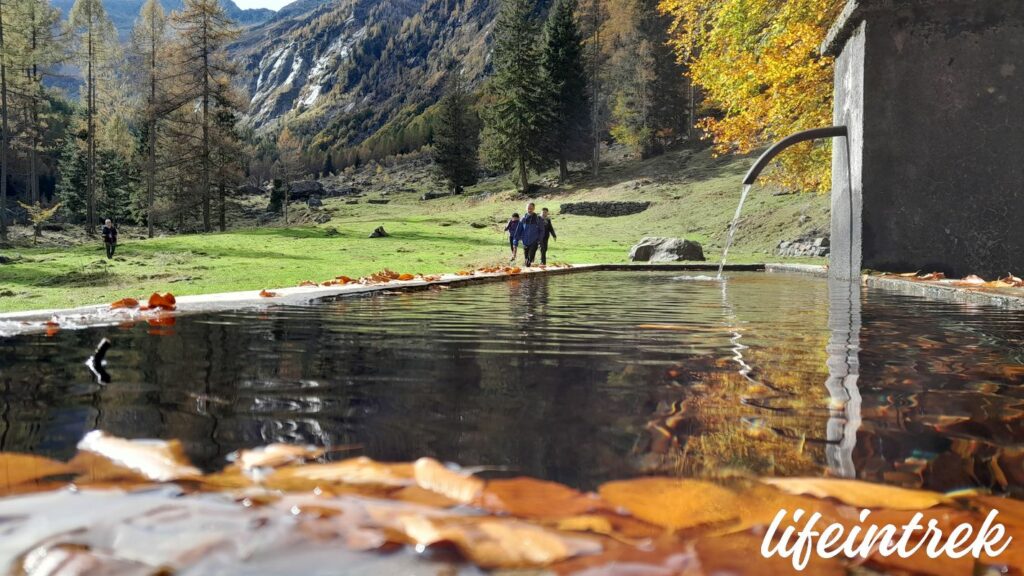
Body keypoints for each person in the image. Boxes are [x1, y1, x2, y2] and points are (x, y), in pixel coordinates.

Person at [513, 202, 545, 267]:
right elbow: (519, 230)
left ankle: (529, 272)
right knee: (526, 259)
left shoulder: (538, 219)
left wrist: (539, 239)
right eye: (528, 208)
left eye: (531, 208)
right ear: (526, 208)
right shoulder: (523, 219)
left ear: (534, 208)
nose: (529, 209)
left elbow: (542, 230)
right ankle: (527, 272)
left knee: (530, 259)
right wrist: (515, 241)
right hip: (525, 242)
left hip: (534, 241)